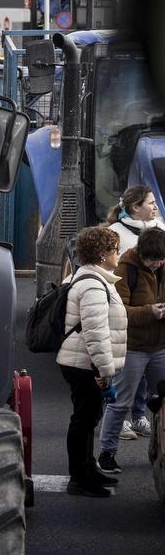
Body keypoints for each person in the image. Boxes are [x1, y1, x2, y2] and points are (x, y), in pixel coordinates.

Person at [56, 225, 127, 498]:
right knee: (83, 420)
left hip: (83, 362)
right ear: (102, 254)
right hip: (84, 364)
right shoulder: (93, 285)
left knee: (88, 418)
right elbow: (96, 335)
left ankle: (88, 468)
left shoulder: (92, 278)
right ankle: (79, 478)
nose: (118, 255)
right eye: (114, 250)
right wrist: (104, 372)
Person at [97, 227, 165, 474]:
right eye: (154, 260)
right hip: (134, 347)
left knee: (162, 402)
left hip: (160, 347)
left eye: (161, 259)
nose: (158, 264)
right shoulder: (127, 268)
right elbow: (119, 311)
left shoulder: (162, 264)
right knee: (120, 403)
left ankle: (158, 449)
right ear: (142, 254)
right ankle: (107, 452)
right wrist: (150, 312)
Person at [106, 185, 163, 437]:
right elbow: (117, 303)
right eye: (150, 202)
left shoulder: (160, 229)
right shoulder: (115, 235)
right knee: (127, 380)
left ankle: (139, 415)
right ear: (134, 207)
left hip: (157, 338)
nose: (155, 206)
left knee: (148, 382)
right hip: (128, 333)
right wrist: (149, 311)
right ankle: (118, 427)